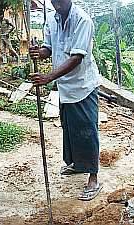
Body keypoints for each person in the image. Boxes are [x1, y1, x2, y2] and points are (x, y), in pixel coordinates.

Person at [29, 0, 102, 201]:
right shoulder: (52, 19)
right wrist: (38, 53)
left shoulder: (82, 20)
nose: (57, 4)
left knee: (87, 130)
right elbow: (49, 49)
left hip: (83, 85)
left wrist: (48, 77)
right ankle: (77, 165)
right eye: (54, 0)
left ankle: (93, 177)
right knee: (70, 129)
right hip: (65, 86)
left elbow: (76, 58)